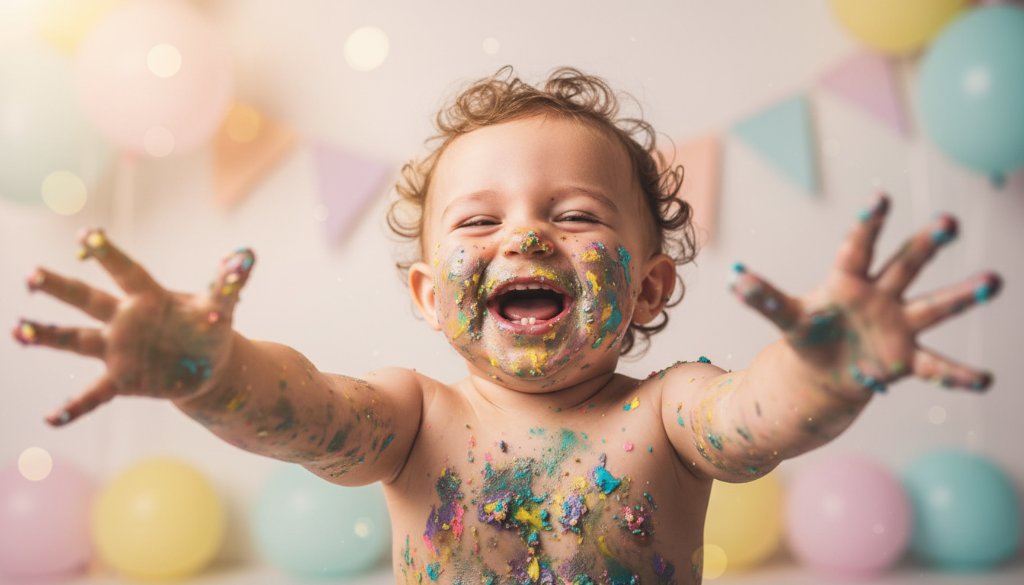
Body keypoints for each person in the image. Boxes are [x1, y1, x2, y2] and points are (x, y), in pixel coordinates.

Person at [13, 67, 1002, 585]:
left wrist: (822, 375)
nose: (526, 234)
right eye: (479, 222)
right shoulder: (412, 418)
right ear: (427, 295)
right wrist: (212, 371)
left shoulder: (669, 411)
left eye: (574, 214)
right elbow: (304, 412)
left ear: (649, 288)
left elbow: (754, 420)